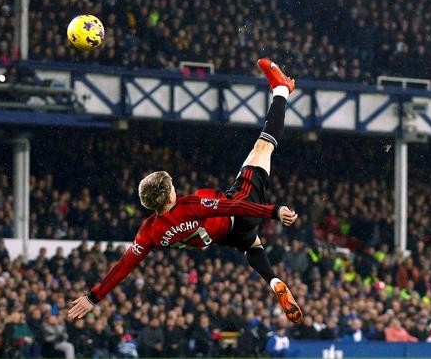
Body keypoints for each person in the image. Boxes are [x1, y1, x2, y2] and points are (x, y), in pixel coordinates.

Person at [69, 59, 303, 324]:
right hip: (240, 209)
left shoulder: (150, 232)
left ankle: (272, 280)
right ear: (170, 195)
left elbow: (124, 266)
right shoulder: (190, 205)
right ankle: (281, 90)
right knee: (262, 147)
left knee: (252, 245)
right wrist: (273, 211)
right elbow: (231, 207)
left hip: (228, 237)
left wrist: (93, 296)